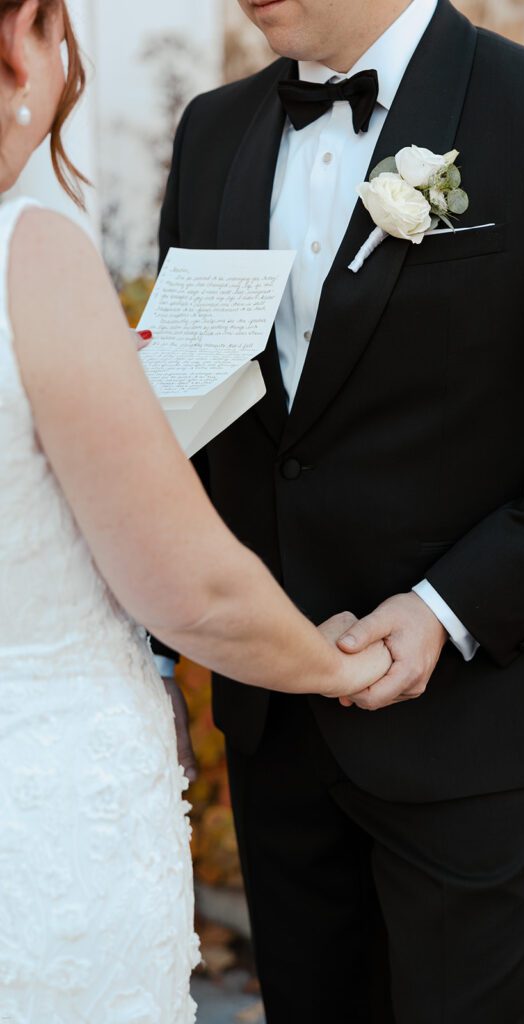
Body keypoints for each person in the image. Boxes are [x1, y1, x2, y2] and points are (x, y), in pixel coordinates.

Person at [153, 0, 524, 1021]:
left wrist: (445, 606)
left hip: (473, 728)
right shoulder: (211, 128)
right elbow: (191, 408)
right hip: (275, 720)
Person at [0, 1, 392, 1020]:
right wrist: (337, 664)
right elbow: (192, 588)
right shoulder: (28, 253)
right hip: (41, 808)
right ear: (23, 39)